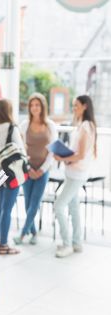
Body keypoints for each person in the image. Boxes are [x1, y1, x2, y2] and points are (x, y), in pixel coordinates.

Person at [54, 95, 97, 258]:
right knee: (74, 207)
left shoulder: (86, 126)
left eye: (76, 105)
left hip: (77, 174)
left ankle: (67, 244)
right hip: (73, 172)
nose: (74, 108)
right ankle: (77, 243)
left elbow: (79, 156)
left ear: (85, 106)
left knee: (58, 206)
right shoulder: (82, 125)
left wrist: (62, 158)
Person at [14, 92, 57, 245]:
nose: (34, 108)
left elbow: (53, 150)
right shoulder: (24, 125)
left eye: (37, 105)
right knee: (27, 203)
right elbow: (20, 148)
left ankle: (22, 233)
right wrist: (28, 168)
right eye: (32, 105)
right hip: (27, 169)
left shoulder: (50, 126)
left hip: (43, 171)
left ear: (42, 107)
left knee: (34, 203)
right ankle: (33, 233)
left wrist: (42, 170)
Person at [0, 99, 23, 255]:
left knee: (1, 206)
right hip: (12, 171)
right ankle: (4, 245)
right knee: (7, 208)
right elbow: (21, 151)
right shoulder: (12, 128)